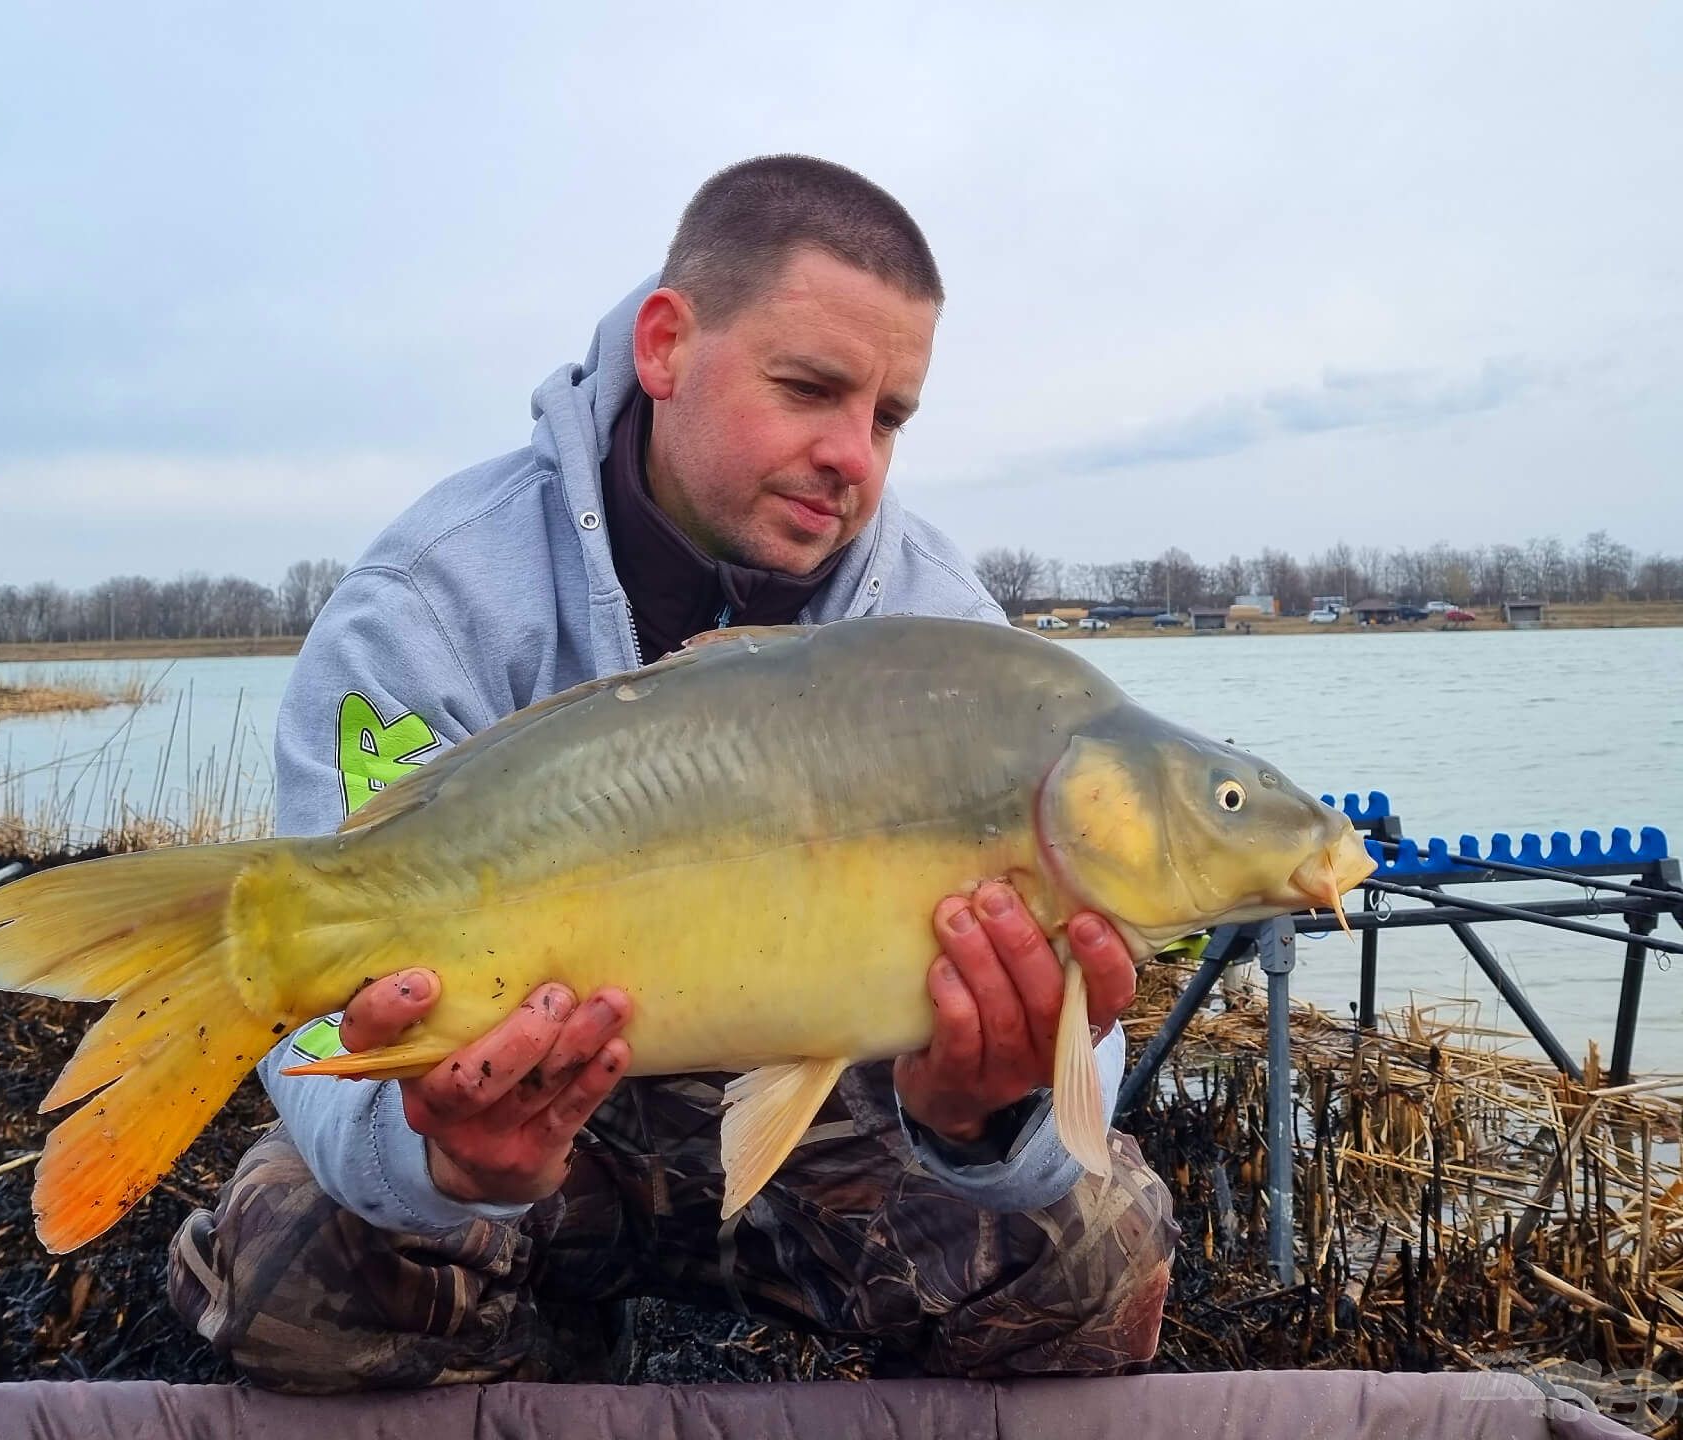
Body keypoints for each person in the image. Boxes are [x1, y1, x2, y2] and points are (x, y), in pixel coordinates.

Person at [168, 154, 1177, 1393]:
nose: (852, 458)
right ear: (664, 345)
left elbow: (1080, 1072)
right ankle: (546, 1358)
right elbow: (320, 1012)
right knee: (292, 1276)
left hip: (831, 1126)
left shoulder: (950, 640)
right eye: (809, 389)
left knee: (1099, 1260)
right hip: (536, 1116)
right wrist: (445, 1161)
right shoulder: (434, 601)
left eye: (890, 417)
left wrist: (986, 1116)